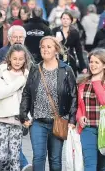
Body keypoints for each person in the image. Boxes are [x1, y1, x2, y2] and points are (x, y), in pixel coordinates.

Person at [20, 36, 77, 171]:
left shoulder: (66, 70)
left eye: (49, 47)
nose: (45, 50)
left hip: (58, 121)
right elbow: (27, 93)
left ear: (56, 49)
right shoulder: (35, 69)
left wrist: (72, 120)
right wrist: (23, 115)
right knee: (38, 157)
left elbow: (74, 96)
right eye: (43, 47)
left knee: (55, 159)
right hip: (38, 122)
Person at [76, 48, 105, 171]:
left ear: (104, 65)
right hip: (88, 129)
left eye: (97, 62)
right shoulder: (83, 82)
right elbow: (79, 104)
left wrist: (97, 83)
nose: (93, 65)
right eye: (91, 62)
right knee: (89, 165)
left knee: (102, 166)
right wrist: (79, 116)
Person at [0, 44, 32, 171]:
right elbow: (1, 93)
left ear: (25, 59)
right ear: (9, 57)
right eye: (15, 58)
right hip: (1, 119)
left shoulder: (27, 75)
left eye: (20, 59)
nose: (17, 62)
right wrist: (19, 82)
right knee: (2, 156)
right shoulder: (0, 71)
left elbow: (29, 98)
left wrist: (28, 117)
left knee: (15, 157)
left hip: (18, 119)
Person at [52, 11, 87, 77]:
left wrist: (83, 66)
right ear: (61, 19)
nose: (65, 21)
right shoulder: (55, 31)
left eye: (67, 19)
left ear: (71, 20)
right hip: (57, 58)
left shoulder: (74, 33)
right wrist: (56, 41)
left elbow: (78, 50)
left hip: (70, 59)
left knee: (71, 80)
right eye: (64, 18)